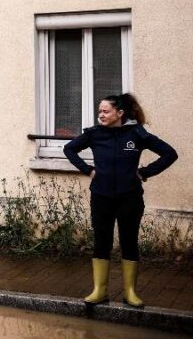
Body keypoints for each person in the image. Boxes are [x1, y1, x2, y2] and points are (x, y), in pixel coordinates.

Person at [63, 93, 177, 307]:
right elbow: (69, 149)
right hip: (101, 197)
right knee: (101, 242)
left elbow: (170, 154)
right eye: (99, 111)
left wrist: (145, 172)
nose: (101, 115)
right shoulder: (94, 134)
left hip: (130, 198)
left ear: (120, 113)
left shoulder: (137, 134)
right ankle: (99, 291)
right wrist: (88, 170)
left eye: (105, 111)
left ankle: (130, 292)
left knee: (129, 242)